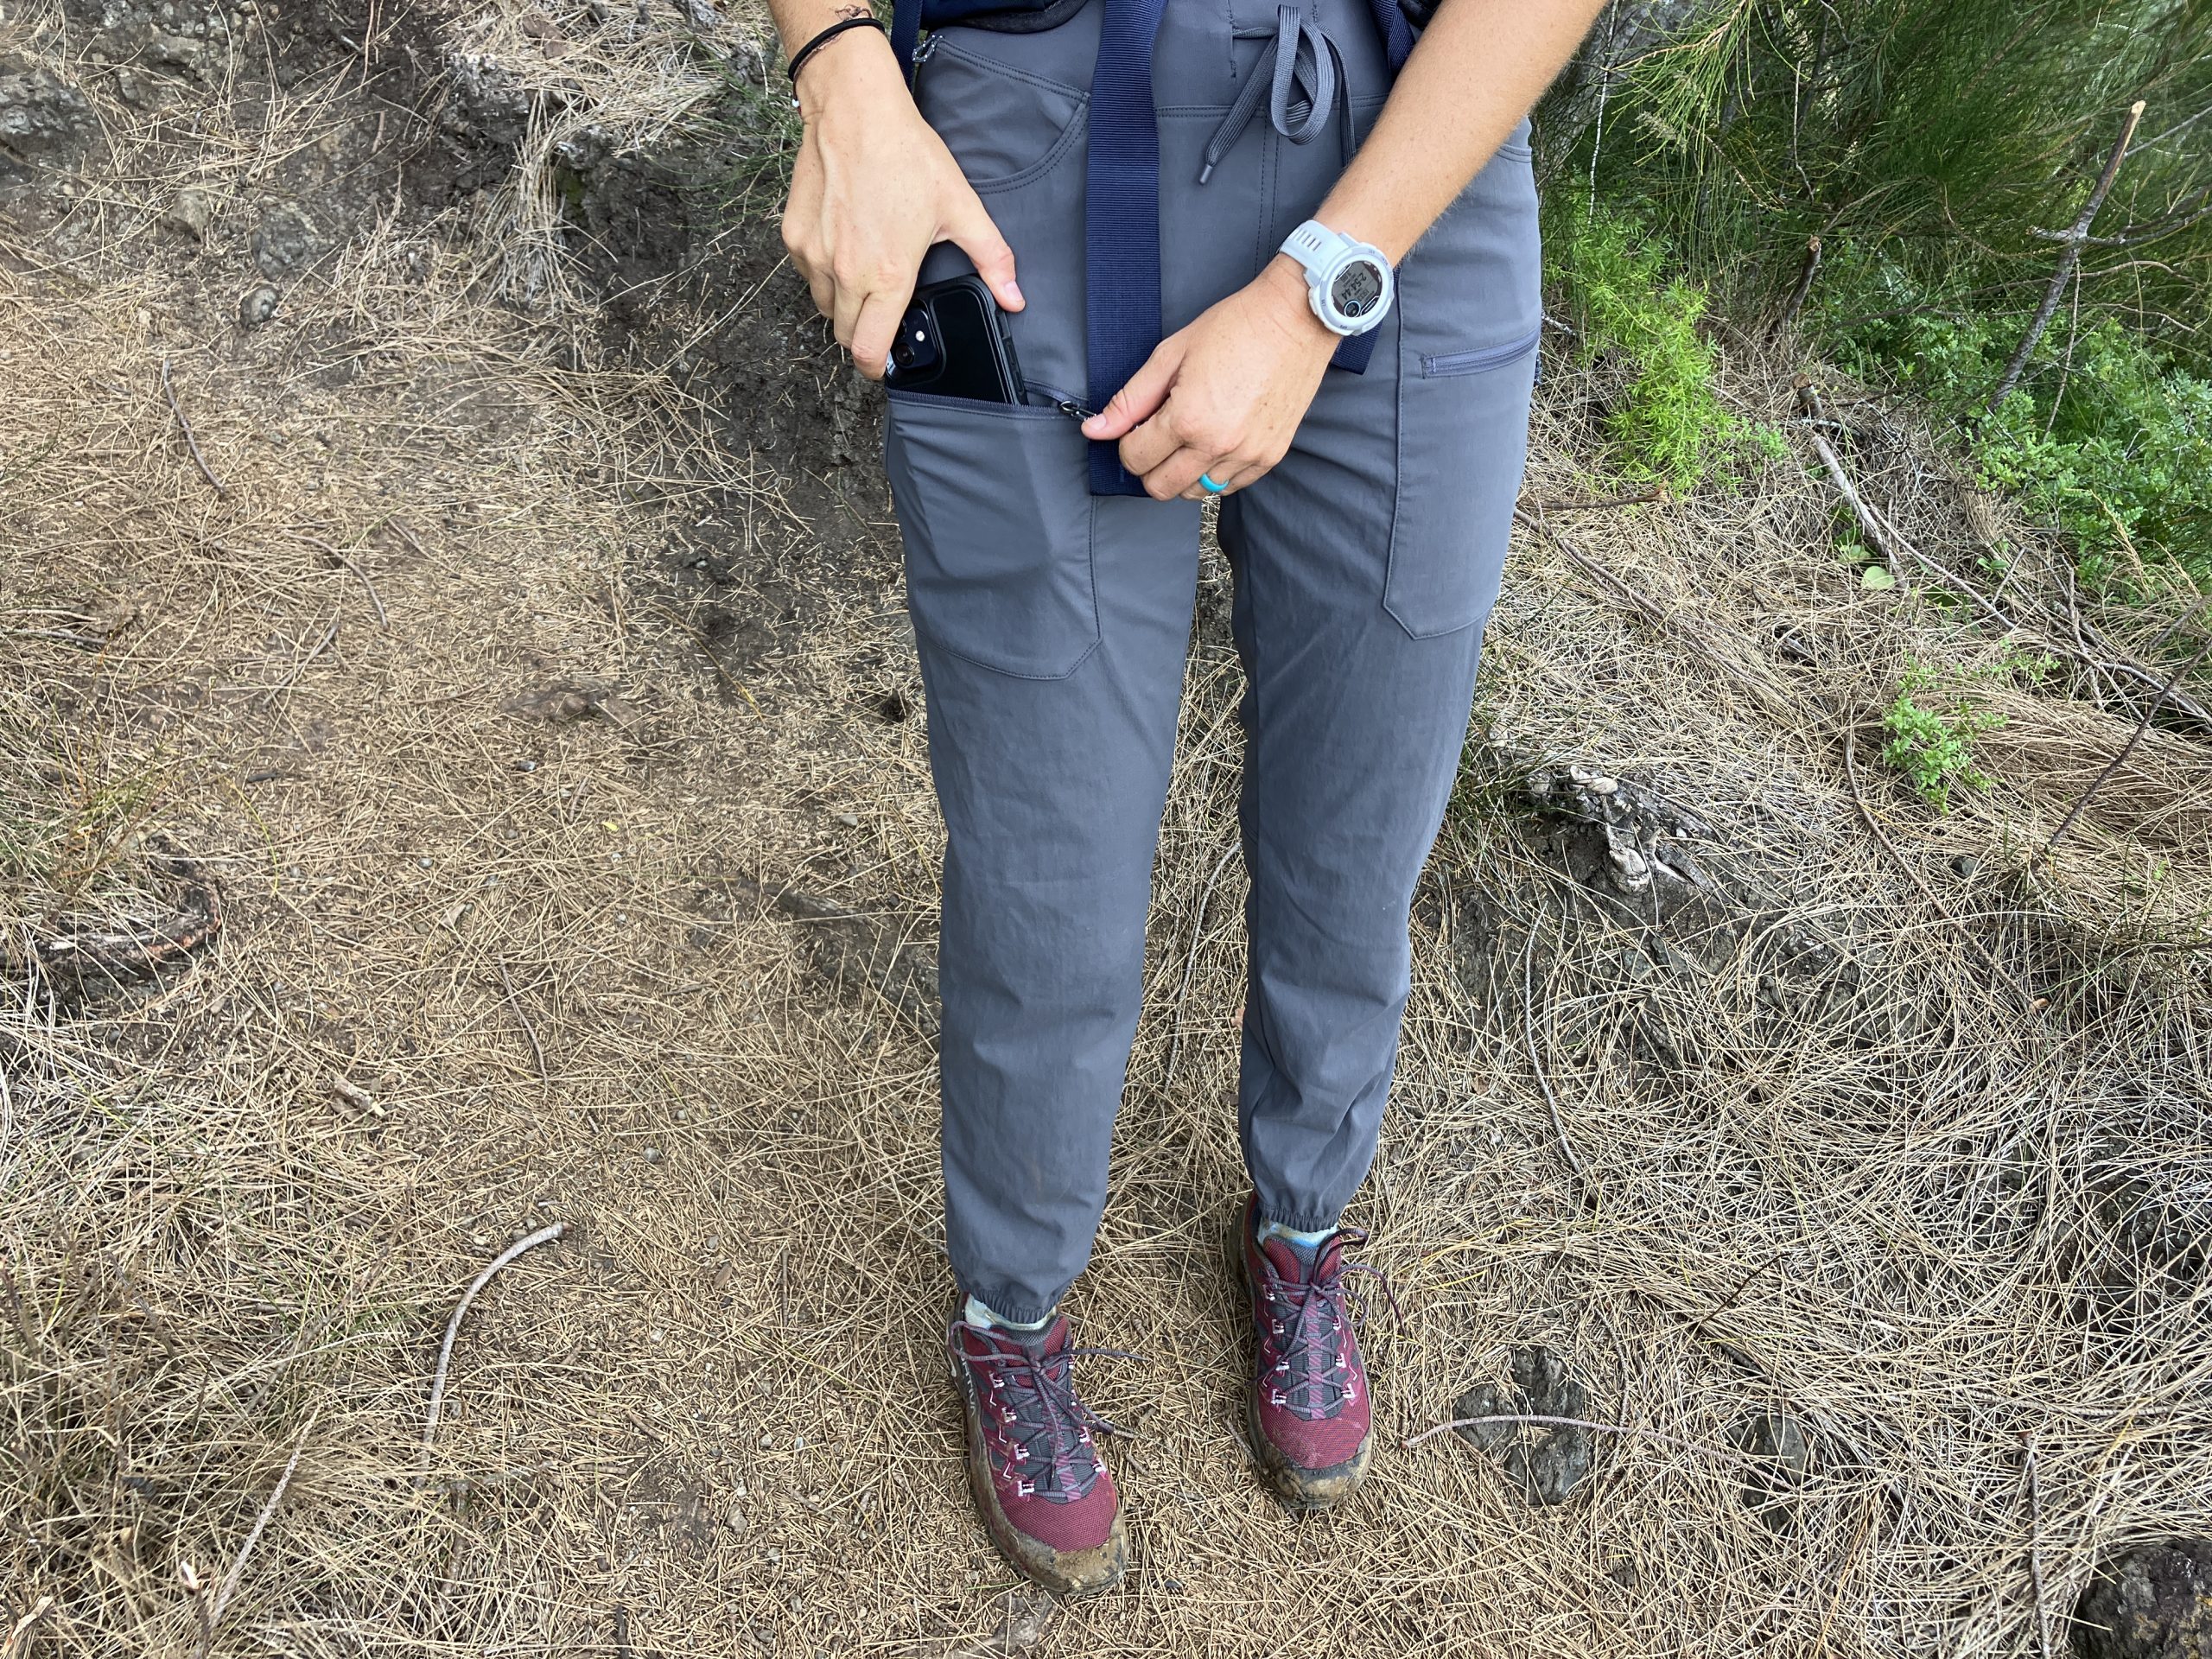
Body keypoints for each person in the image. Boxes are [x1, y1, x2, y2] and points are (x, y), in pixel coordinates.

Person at [768, 0, 1606, 1596]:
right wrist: (844, 73)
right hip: (1042, 121)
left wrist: (1318, 290)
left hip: (1413, 144)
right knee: (1048, 859)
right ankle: (1012, 1307)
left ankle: (1302, 1222)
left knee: (1366, 823)